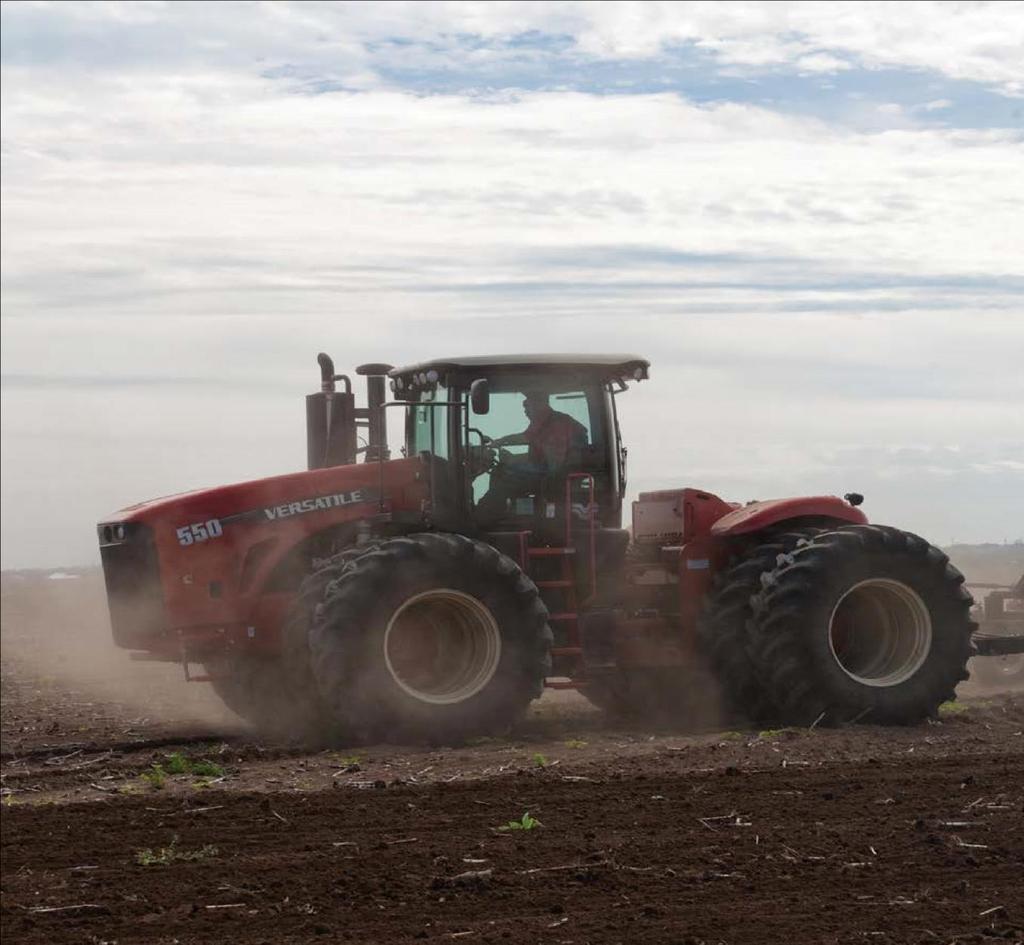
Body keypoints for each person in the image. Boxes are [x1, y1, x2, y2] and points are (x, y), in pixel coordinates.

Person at [477, 390, 588, 521]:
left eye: (527, 405)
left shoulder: (555, 424)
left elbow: (552, 464)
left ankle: (483, 517)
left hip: (555, 478)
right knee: (503, 469)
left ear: (539, 404)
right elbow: (538, 451)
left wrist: (507, 454)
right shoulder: (549, 421)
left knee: (502, 475)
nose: (525, 410)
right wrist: (511, 457)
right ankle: (503, 515)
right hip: (556, 473)